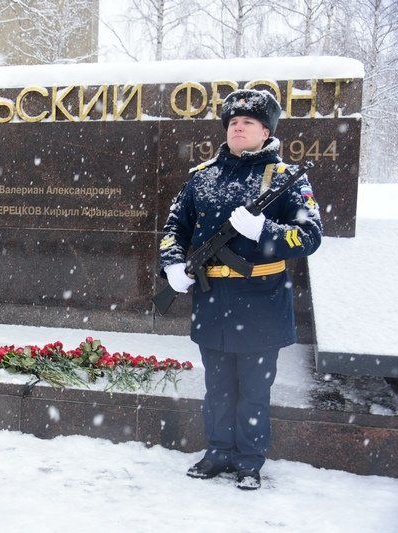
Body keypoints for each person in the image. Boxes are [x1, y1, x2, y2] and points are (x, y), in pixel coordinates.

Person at [159, 89, 322, 490]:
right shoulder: (203, 176)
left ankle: (249, 461)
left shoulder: (284, 180)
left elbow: (311, 236)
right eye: (233, 123)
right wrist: (173, 266)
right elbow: (173, 229)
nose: (238, 128)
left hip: (261, 301)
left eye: (248, 122)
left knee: (253, 388)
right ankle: (217, 452)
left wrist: (264, 231)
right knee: (217, 386)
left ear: (266, 131)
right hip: (213, 299)